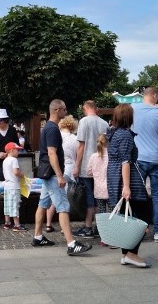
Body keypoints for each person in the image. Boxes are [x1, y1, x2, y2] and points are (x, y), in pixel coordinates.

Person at [32, 99, 92, 257]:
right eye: (64, 109)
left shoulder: (47, 127)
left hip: (46, 173)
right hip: (52, 174)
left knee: (43, 203)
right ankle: (71, 243)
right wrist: (59, 175)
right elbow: (52, 152)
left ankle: (38, 237)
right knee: (63, 207)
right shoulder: (52, 129)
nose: (66, 112)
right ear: (57, 110)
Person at [107, 103, 152, 268]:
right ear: (129, 118)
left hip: (114, 177)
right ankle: (132, 253)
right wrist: (126, 186)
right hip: (127, 179)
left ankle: (126, 254)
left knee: (127, 217)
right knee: (141, 216)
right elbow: (125, 161)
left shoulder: (113, 133)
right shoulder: (125, 135)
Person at [131, 86, 158, 243]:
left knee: (136, 195)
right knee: (157, 196)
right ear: (155, 96)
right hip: (156, 159)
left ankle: (138, 231)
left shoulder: (132, 109)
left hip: (138, 159)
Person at [72, 100, 109, 239]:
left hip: (87, 165)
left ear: (84, 108)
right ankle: (100, 227)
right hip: (102, 165)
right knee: (100, 198)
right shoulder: (104, 123)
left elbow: (81, 146)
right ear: (96, 109)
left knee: (89, 198)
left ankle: (88, 227)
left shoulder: (84, 122)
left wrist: (76, 166)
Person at [2, 142, 27, 231]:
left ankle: (7, 223)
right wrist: (22, 175)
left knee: (7, 205)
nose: (18, 152)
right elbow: (16, 172)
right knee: (14, 205)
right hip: (14, 186)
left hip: (7, 186)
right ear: (11, 150)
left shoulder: (5, 160)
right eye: (17, 150)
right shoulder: (14, 160)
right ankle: (17, 225)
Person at [86, 134, 110, 225]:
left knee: (101, 211)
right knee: (112, 212)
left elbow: (88, 172)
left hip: (98, 189)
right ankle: (112, 232)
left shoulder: (93, 156)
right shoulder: (111, 156)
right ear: (107, 143)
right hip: (110, 189)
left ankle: (101, 231)